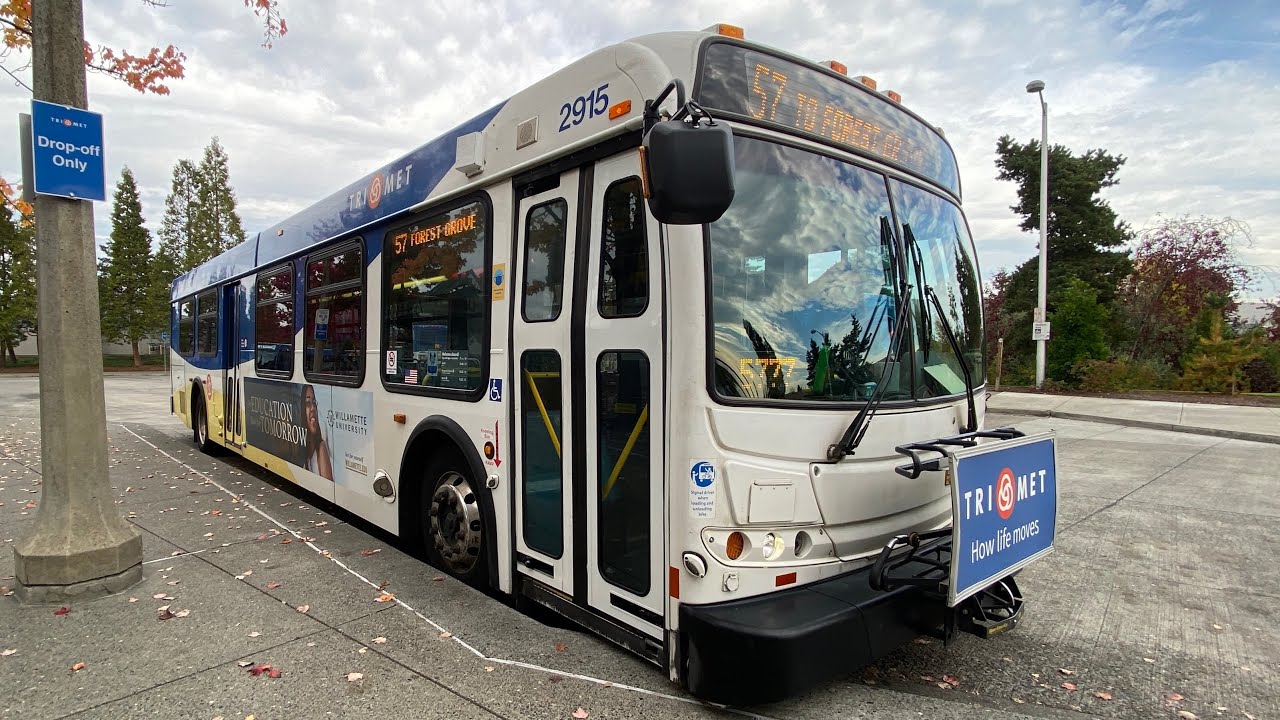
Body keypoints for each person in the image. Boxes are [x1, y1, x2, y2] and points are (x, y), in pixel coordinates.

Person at [301, 384, 334, 481]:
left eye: (314, 403)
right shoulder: (306, 451)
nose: (312, 408)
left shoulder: (321, 447)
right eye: (307, 404)